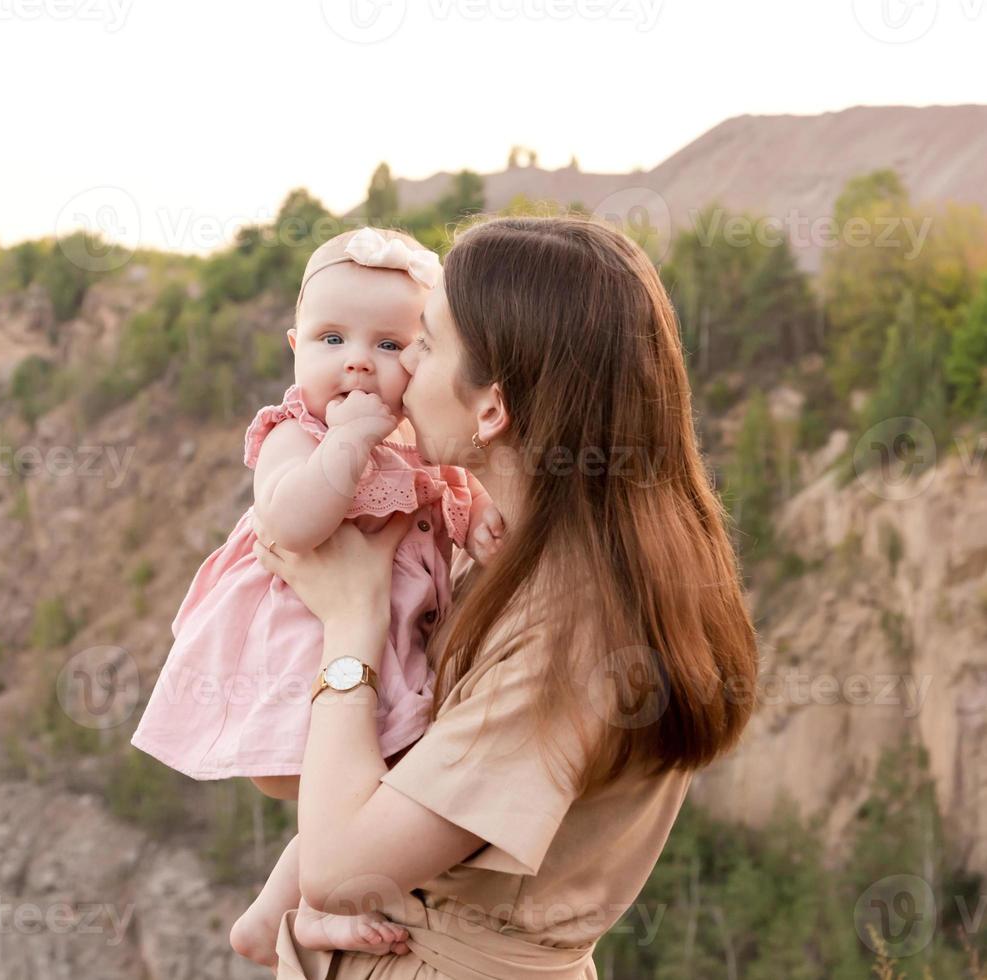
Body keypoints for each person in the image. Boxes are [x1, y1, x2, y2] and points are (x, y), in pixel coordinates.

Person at [251, 215, 760, 979]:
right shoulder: (517, 549)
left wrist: (349, 625)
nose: (389, 367)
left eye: (419, 343)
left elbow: (340, 869)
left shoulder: (571, 627)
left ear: (490, 407)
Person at [129, 226, 503, 965]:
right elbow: (290, 523)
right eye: (331, 339)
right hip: (301, 646)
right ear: (293, 345)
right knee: (359, 777)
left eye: (391, 345)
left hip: (377, 643)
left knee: (380, 784)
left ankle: (278, 912)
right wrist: (345, 445)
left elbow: (451, 496)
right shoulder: (292, 434)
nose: (357, 360)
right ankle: (306, 910)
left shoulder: (415, 444)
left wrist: (481, 518)